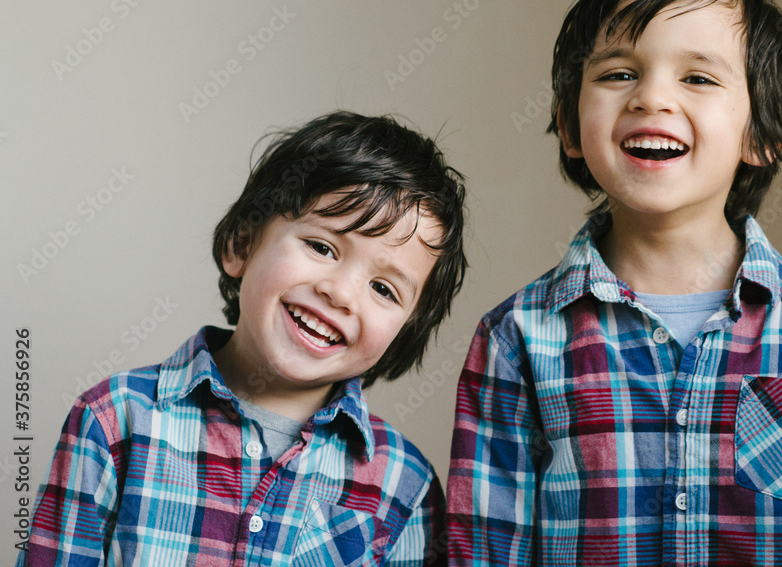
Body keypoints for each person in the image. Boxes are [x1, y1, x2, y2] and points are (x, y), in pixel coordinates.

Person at [448, 0, 782, 565]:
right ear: (568, 120)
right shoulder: (517, 339)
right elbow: (485, 549)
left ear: (763, 133)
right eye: (618, 74)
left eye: (697, 77)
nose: (651, 98)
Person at [19, 111, 465, 566]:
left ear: (404, 333)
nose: (341, 292)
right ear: (242, 244)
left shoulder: (406, 487)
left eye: (383, 289)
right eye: (321, 247)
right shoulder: (115, 421)